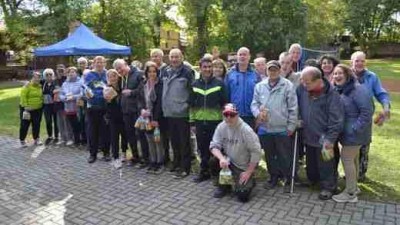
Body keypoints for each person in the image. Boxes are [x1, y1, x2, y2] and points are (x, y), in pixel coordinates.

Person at [297, 66, 344, 200]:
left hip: (325, 137)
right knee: (311, 165)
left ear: (318, 80)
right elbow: (298, 105)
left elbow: (337, 120)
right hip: (309, 134)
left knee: (327, 164)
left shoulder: (331, 94)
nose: (304, 85)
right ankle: (314, 181)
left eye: (307, 82)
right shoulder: (302, 89)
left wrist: (330, 139)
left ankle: (329, 187)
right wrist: (299, 119)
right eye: (303, 81)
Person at [251, 60, 298, 192]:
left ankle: (287, 179)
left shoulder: (287, 85)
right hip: (265, 128)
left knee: (284, 155)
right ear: (267, 71)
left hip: (282, 128)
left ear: (279, 70)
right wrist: (257, 114)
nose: (273, 72)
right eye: (270, 70)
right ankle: (273, 177)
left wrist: (291, 126)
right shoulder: (260, 86)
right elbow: (254, 103)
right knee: (269, 155)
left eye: (275, 70)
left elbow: (293, 108)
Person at [331, 64, 373, 203]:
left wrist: (355, 128)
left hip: (355, 134)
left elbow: (367, 112)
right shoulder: (341, 89)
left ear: (348, 74)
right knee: (353, 160)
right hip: (347, 133)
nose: (337, 76)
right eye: (335, 74)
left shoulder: (358, 89)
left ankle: (350, 194)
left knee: (347, 159)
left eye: (340, 73)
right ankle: (354, 188)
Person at [351, 51, 391, 181]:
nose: (360, 63)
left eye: (362, 61)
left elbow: (381, 93)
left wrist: (385, 108)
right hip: (349, 116)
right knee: (349, 146)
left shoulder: (372, 77)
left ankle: (361, 174)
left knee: (364, 146)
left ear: (365, 62)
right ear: (352, 62)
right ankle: (351, 173)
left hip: (365, 117)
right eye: (357, 60)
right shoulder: (346, 74)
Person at [210, 103, 262, 203]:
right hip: (228, 163)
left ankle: (251, 179)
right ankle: (224, 186)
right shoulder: (221, 127)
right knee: (213, 161)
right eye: (226, 114)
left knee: (243, 197)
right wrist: (221, 158)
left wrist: (248, 172)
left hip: (243, 166)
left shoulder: (246, 130)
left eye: (232, 115)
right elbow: (214, 146)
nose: (229, 117)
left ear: (237, 115)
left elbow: (256, 152)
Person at [190, 58, 227, 183]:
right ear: (200, 68)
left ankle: (216, 174)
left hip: (215, 122)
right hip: (200, 122)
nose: (207, 69)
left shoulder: (219, 83)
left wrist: (224, 121)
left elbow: (225, 104)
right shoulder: (195, 84)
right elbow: (191, 105)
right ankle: (204, 171)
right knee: (202, 148)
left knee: (216, 149)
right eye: (205, 67)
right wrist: (192, 123)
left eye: (209, 67)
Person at [161, 48, 194, 178]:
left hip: (182, 113)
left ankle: (185, 167)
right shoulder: (165, 71)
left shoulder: (187, 72)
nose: (174, 59)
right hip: (169, 112)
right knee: (173, 141)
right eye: (172, 57)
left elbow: (192, 92)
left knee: (184, 142)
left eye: (177, 57)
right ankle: (176, 163)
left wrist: (185, 106)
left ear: (182, 57)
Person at [113, 58, 148, 167]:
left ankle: (145, 159)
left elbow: (144, 90)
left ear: (126, 64)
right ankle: (135, 157)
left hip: (137, 111)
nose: (119, 70)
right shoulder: (121, 78)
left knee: (141, 135)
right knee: (130, 135)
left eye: (120, 68)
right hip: (126, 111)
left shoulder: (138, 74)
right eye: (117, 69)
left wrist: (131, 92)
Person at [225, 47, 258, 127]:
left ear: (249, 57)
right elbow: (226, 95)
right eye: (240, 55)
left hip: (251, 116)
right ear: (237, 57)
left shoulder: (256, 75)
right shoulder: (230, 74)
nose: (242, 57)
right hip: (234, 115)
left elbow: (259, 95)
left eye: (245, 55)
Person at [141, 62, 165, 174]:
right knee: (149, 140)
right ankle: (153, 161)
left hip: (156, 117)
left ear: (157, 72)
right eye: (149, 71)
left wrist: (156, 119)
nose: (152, 74)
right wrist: (142, 110)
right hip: (145, 117)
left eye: (154, 71)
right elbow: (141, 99)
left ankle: (160, 163)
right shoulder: (144, 83)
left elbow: (160, 103)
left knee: (158, 141)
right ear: (146, 73)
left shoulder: (160, 84)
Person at [85, 56, 109, 163]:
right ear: (93, 63)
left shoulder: (107, 74)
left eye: (101, 62)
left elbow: (110, 87)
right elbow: (88, 90)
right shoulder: (89, 75)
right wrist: (101, 94)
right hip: (93, 107)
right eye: (97, 62)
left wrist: (98, 93)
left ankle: (106, 153)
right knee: (92, 131)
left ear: (105, 63)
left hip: (105, 107)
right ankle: (92, 154)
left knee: (105, 131)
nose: (99, 64)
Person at [150, 48, 169, 164]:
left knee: (165, 134)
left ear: (161, 57)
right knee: (157, 135)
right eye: (153, 56)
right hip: (153, 107)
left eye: (157, 56)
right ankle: (158, 156)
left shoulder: (166, 70)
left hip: (165, 106)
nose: (155, 58)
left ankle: (166, 156)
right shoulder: (150, 70)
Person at [104, 69, 125, 169]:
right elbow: (107, 103)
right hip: (112, 116)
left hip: (123, 114)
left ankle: (124, 153)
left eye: (114, 76)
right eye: (110, 76)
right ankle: (115, 157)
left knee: (125, 135)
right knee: (114, 137)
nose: (113, 78)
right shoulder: (107, 88)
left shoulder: (123, 86)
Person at [60, 67, 82, 146]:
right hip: (68, 107)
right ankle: (74, 140)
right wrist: (64, 98)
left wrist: (74, 97)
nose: (71, 74)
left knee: (78, 124)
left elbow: (82, 93)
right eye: (69, 72)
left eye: (73, 72)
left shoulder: (80, 82)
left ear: (76, 73)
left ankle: (79, 141)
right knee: (71, 124)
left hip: (78, 107)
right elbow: (61, 95)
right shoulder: (65, 83)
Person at [19, 71, 43, 147]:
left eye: (38, 77)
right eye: (35, 77)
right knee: (24, 125)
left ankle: (36, 139)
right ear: (32, 78)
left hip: (38, 109)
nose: (37, 79)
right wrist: (25, 106)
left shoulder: (40, 86)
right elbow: (23, 96)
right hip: (27, 110)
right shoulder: (27, 86)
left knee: (36, 125)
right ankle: (22, 140)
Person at [53, 64, 73, 146]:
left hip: (66, 103)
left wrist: (59, 90)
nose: (60, 71)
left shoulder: (67, 79)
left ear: (64, 70)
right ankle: (62, 138)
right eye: (59, 70)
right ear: (56, 71)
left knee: (66, 122)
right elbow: (52, 90)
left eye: (62, 70)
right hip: (57, 104)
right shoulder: (55, 80)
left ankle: (69, 138)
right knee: (59, 122)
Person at [41, 68, 58, 145]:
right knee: (48, 121)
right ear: (44, 76)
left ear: (52, 75)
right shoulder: (42, 83)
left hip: (54, 105)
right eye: (47, 75)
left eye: (50, 74)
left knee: (56, 121)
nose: (48, 76)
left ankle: (57, 136)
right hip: (46, 105)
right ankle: (50, 136)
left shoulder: (55, 83)